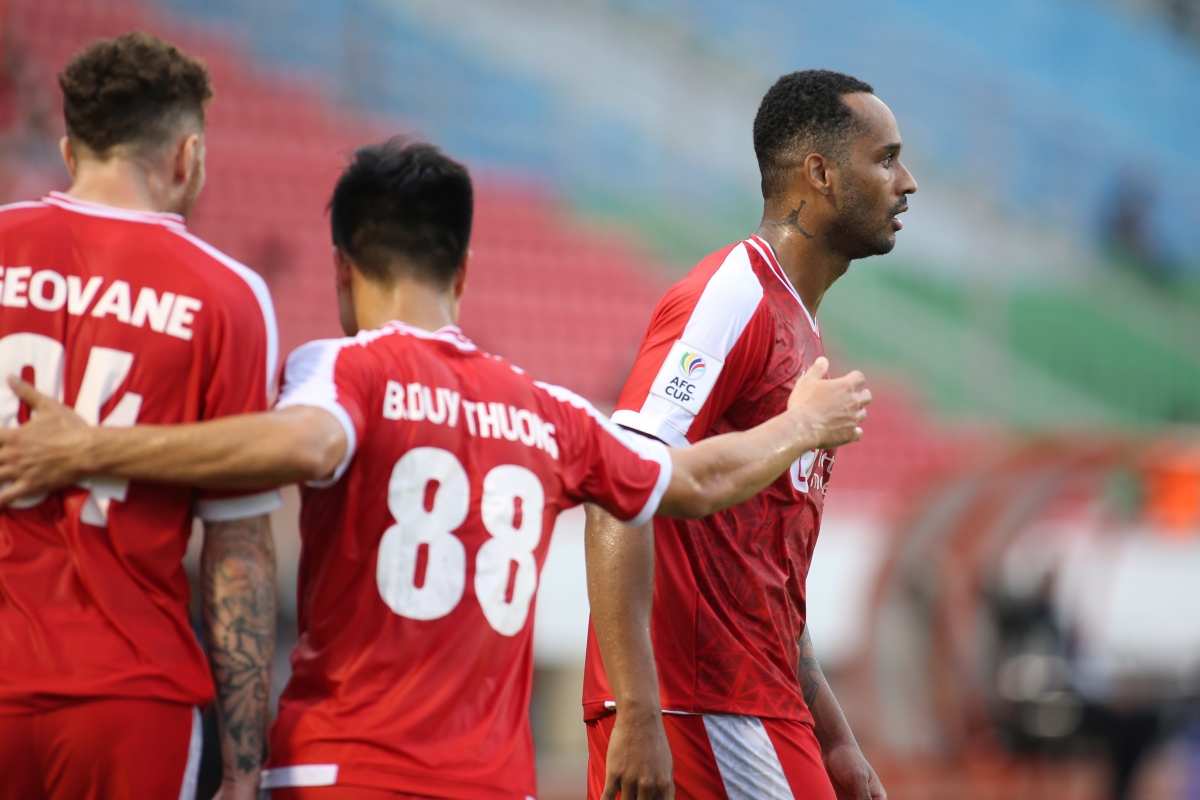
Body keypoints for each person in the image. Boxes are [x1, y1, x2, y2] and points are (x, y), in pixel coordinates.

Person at [0, 138, 871, 800]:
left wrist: (90, 447)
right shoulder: (547, 411)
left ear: (342, 271)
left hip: (337, 766)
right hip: (489, 780)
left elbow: (303, 443)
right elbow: (685, 482)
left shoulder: (339, 370)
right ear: (463, 268)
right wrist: (796, 429)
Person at [584, 69, 917, 800]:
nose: (909, 182)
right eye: (887, 159)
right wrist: (638, 710)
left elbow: (767, 584)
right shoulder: (731, 293)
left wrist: (837, 741)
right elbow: (618, 485)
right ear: (821, 174)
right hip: (698, 708)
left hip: (753, 707)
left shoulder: (797, 325)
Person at [0, 33, 280, 800]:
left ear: (68, 151)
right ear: (186, 156)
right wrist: (244, 770)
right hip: (130, 697)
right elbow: (240, 547)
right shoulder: (228, 297)